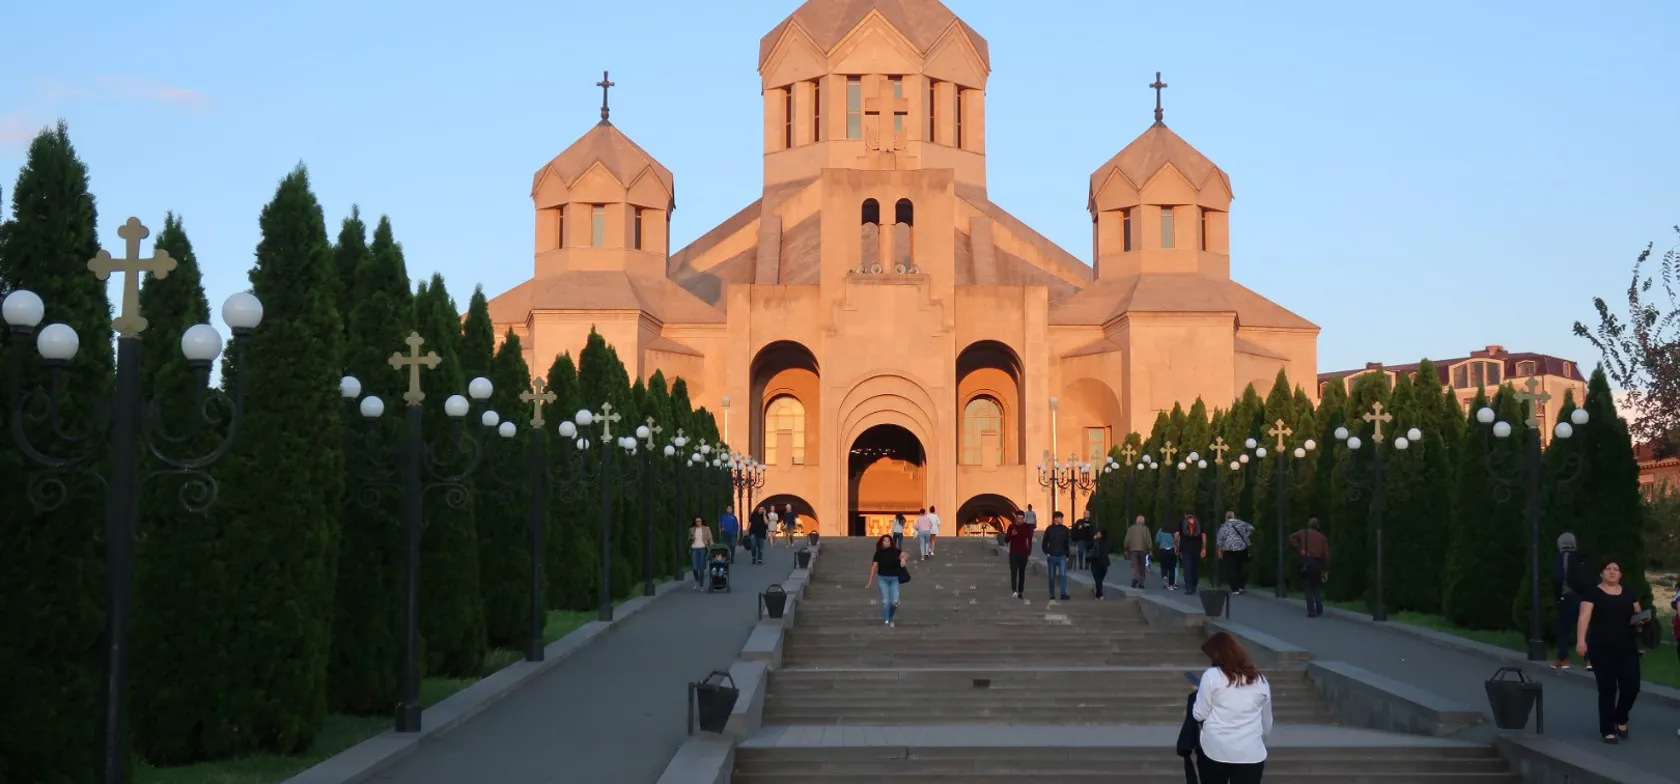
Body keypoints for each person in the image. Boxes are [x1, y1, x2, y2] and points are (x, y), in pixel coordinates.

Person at [1576, 556, 1648, 744]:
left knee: (1632, 687)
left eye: (1615, 569)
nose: (1612, 571)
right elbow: (1584, 617)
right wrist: (1580, 641)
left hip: (1627, 647)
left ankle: (1621, 717)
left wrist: (1641, 620)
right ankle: (1607, 730)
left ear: (1621, 574)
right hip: (1602, 648)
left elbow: (1637, 615)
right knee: (1607, 689)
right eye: (1608, 568)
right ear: (1601, 573)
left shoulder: (1629, 593)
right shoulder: (1593, 593)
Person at [1192, 631, 1274, 783]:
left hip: (1215, 750)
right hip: (1250, 752)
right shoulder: (1260, 679)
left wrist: (1198, 695)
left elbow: (1199, 714)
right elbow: (1266, 722)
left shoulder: (1212, 675)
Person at [1552, 532, 1593, 669]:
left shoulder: (1561, 558)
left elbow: (1558, 578)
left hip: (1568, 595)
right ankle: (1590, 660)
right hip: (1585, 597)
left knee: (1564, 627)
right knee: (1586, 627)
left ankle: (1563, 659)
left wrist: (1558, 596)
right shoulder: (1582, 558)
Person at [863, 534, 908, 626]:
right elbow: (874, 567)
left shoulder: (896, 551)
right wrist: (870, 580)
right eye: (884, 541)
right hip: (882, 579)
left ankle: (889, 616)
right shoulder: (878, 553)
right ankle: (886, 620)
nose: (886, 542)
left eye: (888, 541)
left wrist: (903, 559)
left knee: (895, 601)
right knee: (885, 600)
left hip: (894, 579)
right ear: (882, 542)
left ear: (891, 543)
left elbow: (905, 554)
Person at [1289, 518, 1330, 617]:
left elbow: (1291, 537)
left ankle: (1311, 610)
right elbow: (1326, 555)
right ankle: (1319, 608)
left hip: (1306, 562)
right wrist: (1325, 569)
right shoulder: (1322, 538)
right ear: (1318, 526)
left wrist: (1300, 549)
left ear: (1309, 525)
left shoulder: (1303, 533)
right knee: (1316, 586)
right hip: (1317, 563)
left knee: (1307, 587)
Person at [1216, 511, 1255, 595]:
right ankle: (1241, 586)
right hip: (1241, 548)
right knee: (1239, 568)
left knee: (1231, 569)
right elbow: (1252, 528)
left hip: (1229, 549)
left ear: (1226, 517)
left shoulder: (1224, 526)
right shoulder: (1241, 523)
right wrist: (1246, 536)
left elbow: (1220, 538)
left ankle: (1235, 588)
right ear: (1234, 516)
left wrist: (1219, 550)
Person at [1042, 511, 1072, 601]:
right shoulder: (1049, 529)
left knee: (1063, 575)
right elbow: (1044, 543)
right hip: (1052, 557)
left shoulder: (1065, 529)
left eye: (1062, 518)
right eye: (1060, 518)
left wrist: (1067, 555)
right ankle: (1052, 594)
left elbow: (1067, 543)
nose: (1062, 520)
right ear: (1055, 518)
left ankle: (1063, 594)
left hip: (1062, 556)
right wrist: (1047, 553)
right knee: (1052, 576)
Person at [1006, 510, 1033, 599]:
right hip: (1013, 553)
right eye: (1018, 518)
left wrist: (1029, 551)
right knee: (1014, 571)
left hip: (1023, 553)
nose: (1020, 520)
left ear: (1024, 518)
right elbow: (1006, 540)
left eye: (1022, 518)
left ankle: (1020, 591)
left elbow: (1029, 539)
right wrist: (1011, 535)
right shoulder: (1011, 527)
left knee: (1022, 572)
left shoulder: (1027, 527)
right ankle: (1014, 590)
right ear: (1016, 518)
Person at [1178, 513, 1206, 595]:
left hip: (1185, 548)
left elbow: (1176, 535)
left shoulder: (1182, 522)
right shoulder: (1199, 522)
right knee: (1195, 567)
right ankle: (1194, 585)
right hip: (1196, 548)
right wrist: (1204, 548)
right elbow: (1203, 535)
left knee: (1187, 568)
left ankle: (1188, 587)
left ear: (1185, 514)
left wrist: (1176, 546)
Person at [1124, 515, 1152, 589]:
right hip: (1143, 550)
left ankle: (1135, 579)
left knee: (1135, 565)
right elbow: (1148, 540)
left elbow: (1127, 539)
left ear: (1136, 521)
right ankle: (1141, 583)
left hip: (1133, 550)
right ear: (1143, 521)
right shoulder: (1146, 529)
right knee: (1142, 566)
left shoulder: (1131, 529)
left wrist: (1126, 548)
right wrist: (1150, 549)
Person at [687, 517, 713, 591]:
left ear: (702, 521)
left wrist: (711, 545)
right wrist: (692, 538)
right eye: (696, 521)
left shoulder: (706, 528)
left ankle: (701, 585)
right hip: (694, 548)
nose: (698, 522)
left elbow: (710, 538)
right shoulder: (691, 529)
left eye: (699, 521)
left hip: (702, 548)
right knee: (695, 568)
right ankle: (696, 580)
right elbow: (688, 539)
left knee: (701, 569)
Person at [1089, 528, 1113, 599]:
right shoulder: (1107, 542)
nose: (1097, 535)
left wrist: (1093, 540)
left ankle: (1100, 594)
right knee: (1099, 579)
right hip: (1105, 563)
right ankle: (1098, 594)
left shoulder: (1096, 541)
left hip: (1097, 562)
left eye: (1098, 534)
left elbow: (1089, 547)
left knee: (1097, 579)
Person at [1156, 523, 1179, 590]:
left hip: (1163, 550)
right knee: (1172, 567)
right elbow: (1178, 540)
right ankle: (1171, 584)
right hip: (1172, 550)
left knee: (1163, 566)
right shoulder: (1175, 531)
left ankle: (1164, 576)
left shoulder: (1161, 530)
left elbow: (1157, 540)